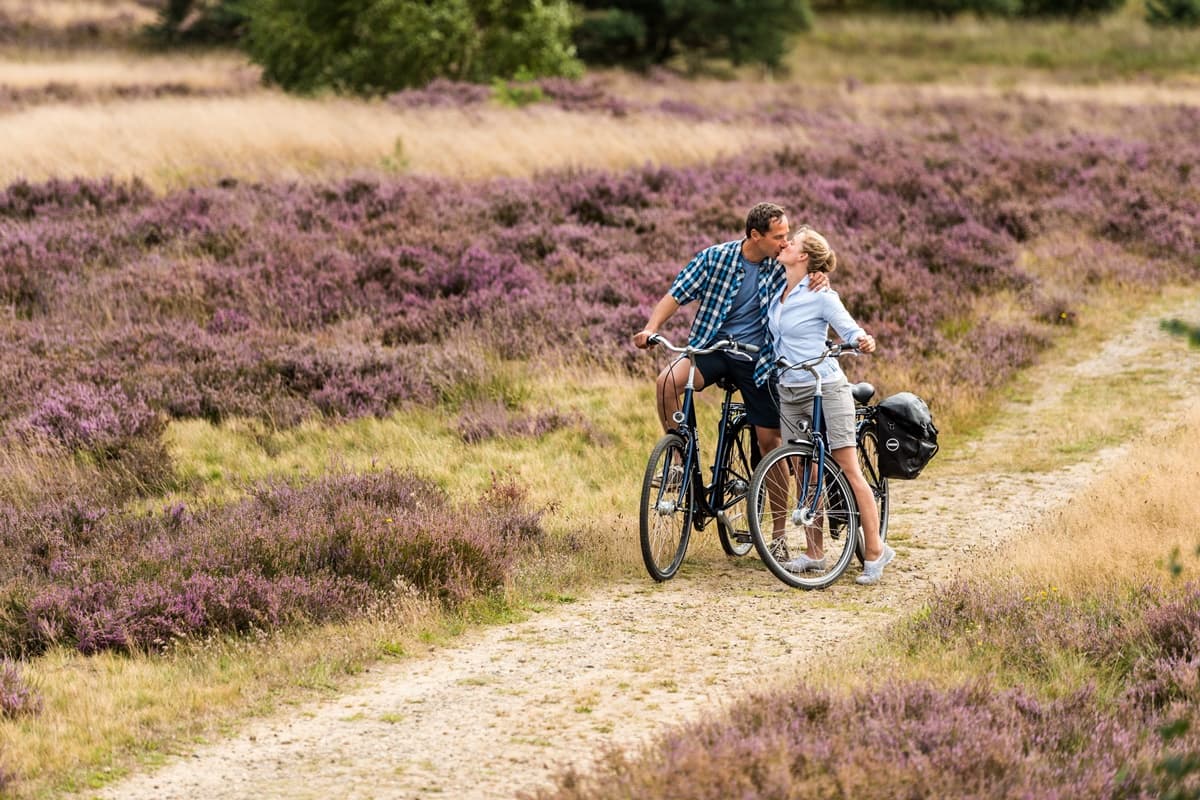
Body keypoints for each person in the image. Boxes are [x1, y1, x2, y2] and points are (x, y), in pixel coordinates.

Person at [631, 203, 827, 461]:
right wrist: (650, 329)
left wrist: (820, 275)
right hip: (713, 348)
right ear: (756, 235)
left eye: (787, 235)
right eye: (778, 236)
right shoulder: (714, 258)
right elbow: (675, 295)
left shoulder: (783, 264)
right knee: (666, 382)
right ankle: (680, 460)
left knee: (769, 441)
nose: (785, 242)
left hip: (759, 359)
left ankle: (780, 504)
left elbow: (815, 265)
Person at [767, 225, 893, 585]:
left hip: (826, 388)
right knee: (805, 472)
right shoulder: (780, 290)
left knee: (848, 468)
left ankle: (875, 550)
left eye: (793, 243)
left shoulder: (822, 294)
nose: (786, 244)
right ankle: (814, 553)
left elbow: (850, 331)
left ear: (804, 257)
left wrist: (862, 340)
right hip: (788, 389)